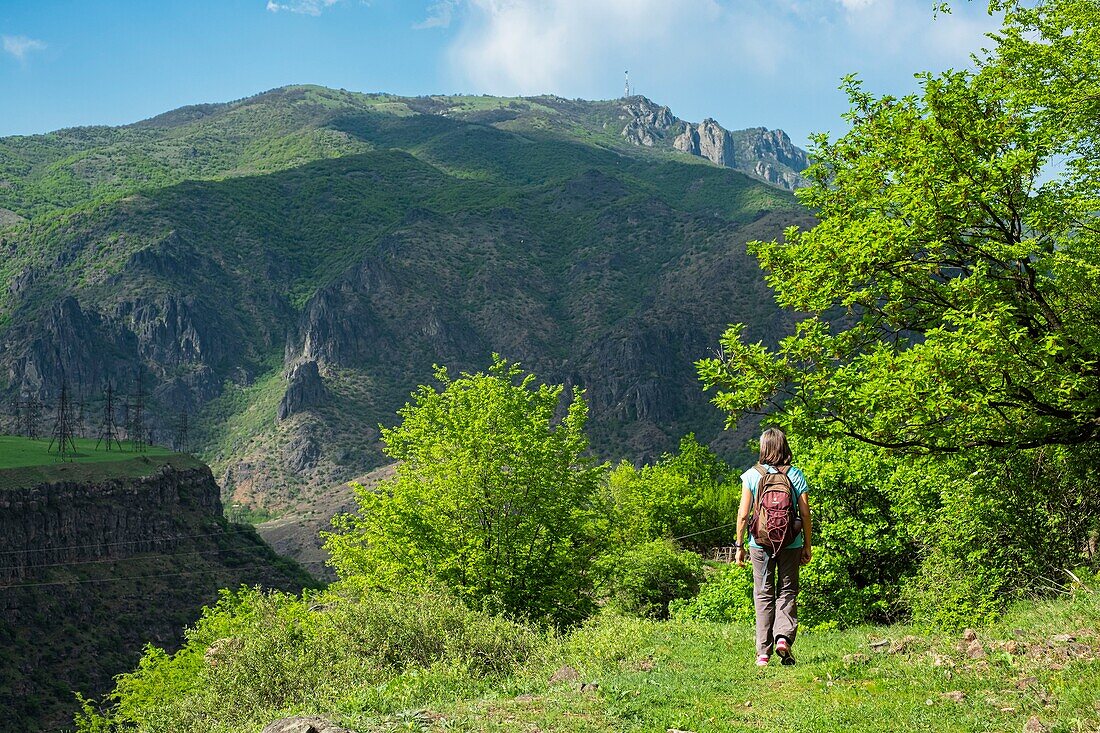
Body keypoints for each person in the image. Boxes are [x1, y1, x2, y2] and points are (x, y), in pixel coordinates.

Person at [735, 427, 812, 667]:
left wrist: (739, 546)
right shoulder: (795, 474)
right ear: (784, 447)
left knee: (763, 593)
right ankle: (783, 638)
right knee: (787, 591)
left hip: (759, 543)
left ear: (763, 448)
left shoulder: (752, 475)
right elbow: (806, 513)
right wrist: (807, 544)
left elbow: (743, 514)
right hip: (791, 542)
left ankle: (763, 654)